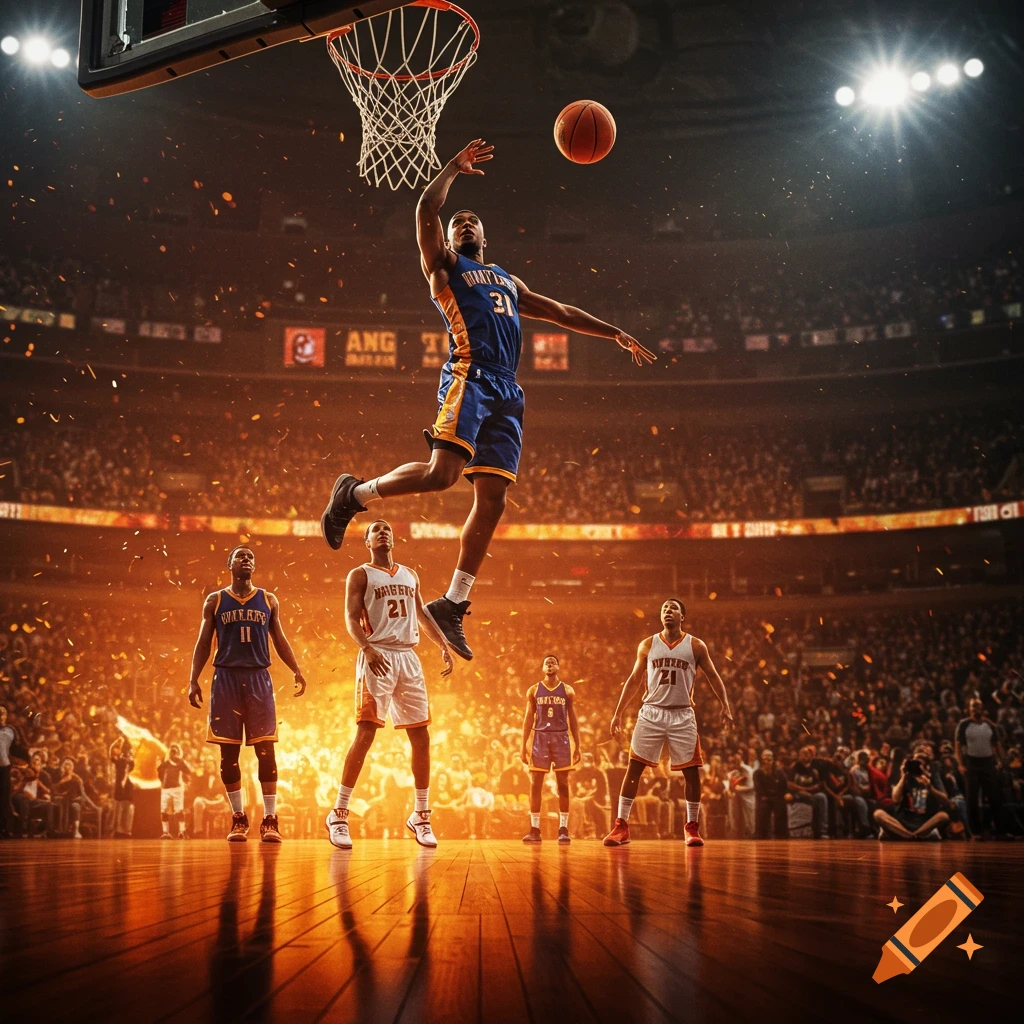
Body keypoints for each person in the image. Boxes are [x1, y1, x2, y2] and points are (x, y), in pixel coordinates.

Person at [320, 138, 656, 661]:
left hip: (508, 390)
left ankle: (453, 603)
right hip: (470, 374)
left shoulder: (507, 280)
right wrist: (453, 168)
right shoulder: (444, 265)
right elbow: (426, 207)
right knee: (442, 476)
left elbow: (560, 311)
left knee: (494, 498)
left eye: (472, 221)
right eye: (458, 222)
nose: (464, 225)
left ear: (485, 235)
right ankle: (355, 494)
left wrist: (613, 332)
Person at [326, 519, 454, 852]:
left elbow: (422, 614)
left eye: (387, 529)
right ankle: (339, 813)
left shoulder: (410, 574)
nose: (383, 532)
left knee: (421, 736)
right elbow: (350, 618)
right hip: (378, 653)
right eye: (376, 530)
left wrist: (442, 644)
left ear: (394, 540)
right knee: (366, 732)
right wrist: (367, 648)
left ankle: (421, 815)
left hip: (408, 657)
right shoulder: (360, 574)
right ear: (367, 541)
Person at [188, 545, 308, 843]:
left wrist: (296, 668)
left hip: (258, 678)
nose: (246, 559)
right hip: (225, 678)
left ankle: (270, 819)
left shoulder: (268, 599)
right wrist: (193, 679)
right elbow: (203, 643)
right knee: (228, 754)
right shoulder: (215, 600)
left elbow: (279, 638)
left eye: (250, 556)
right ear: (229, 564)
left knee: (266, 750)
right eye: (240, 556)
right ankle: (238, 818)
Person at [604, 598, 733, 847]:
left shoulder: (695, 645)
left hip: (682, 713)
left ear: (682, 616)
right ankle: (621, 826)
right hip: (651, 712)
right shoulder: (647, 644)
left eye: (673, 608)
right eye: (664, 608)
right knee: (634, 768)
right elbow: (633, 679)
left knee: (691, 771)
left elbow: (714, 676)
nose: (668, 611)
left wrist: (725, 705)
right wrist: (618, 712)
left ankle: (692, 827)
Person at [520, 654, 581, 844]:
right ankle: (534, 830)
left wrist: (578, 745)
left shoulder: (568, 690)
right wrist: (523, 745)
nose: (550, 665)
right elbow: (528, 719)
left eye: (553, 662)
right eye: (547, 663)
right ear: (542, 668)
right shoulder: (534, 690)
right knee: (535, 784)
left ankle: (563, 829)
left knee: (563, 784)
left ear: (558, 667)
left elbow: (573, 718)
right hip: (540, 738)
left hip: (561, 737)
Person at [955, 697, 1005, 838]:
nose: (976, 708)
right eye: (973, 706)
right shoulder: (963, 724)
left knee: (994, 796)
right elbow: (957, 746)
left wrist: (1002, 761)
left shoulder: (990, 725)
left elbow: (997, 745)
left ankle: (1000, 830)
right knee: (972, 797)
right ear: (969, 708)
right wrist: (960, 764)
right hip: (971, 762)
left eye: (978, 706)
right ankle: (976, 831)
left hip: (988, 762)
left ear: (982, 708)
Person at [873, 754, 952, 840]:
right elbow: (895, 799)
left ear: (927, 767)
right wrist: (903, 777)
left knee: (943, 816)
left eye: (920, 764)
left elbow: (946, 801)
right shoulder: (906, 778)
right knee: (878, 814)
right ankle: (911, 835)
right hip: (903, 821)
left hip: (924, 822)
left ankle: (910, 835)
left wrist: (930, 787)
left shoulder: (932, 779)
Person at [788, 745, 828, 839]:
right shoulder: (794, 767)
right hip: (797, 793)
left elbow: (818, 785)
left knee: (822, 797)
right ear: (799, 756)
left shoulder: (814, 770)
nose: (805, 755)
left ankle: (822, 831)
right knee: (800, 796)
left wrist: (810, 790)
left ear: (811, 756)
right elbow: (789, 784)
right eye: (803, 753)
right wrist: (803, 790)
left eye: (807, 754)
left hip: (811, 794)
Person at [157, 743, 192, 839]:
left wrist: (181, 761)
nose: (173, 752)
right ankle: (165, 832)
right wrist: (163, 783)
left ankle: (182, 831)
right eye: (172, 750)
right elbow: (159, 772)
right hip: (166, 790)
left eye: (175, 750)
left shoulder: (180, 762)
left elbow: (188, 771)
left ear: (178, 752)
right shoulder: (165, 763)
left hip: (177, 789)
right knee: (164, 810)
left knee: (179, 810)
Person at [753, 749, 790, 838]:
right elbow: (758, 789)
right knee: (763, 807)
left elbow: (784, 785)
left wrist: (786, 794)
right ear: (762, 759)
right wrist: (764, 797)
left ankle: (781, 835)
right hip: (764, 798)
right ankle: (761, 835)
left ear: (773, 758)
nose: (767, 759)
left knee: (781, 806)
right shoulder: (757, 773)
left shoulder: (779, 771)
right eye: (765, 756)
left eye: (769, 757)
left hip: (777, 797)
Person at [109, 736, 135, 838]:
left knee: (127, 808)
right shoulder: (120, 760)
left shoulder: (130, 761)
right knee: (119, 808)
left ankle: (126, 830)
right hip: (120, 787)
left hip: (128, 787)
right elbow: (111, 754)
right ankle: (119, 830)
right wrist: (116, 742)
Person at [727, 750, 755, 838]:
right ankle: (737, 834)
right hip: (737, 799)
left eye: (738, 759)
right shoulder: (733, 772)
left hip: (748, 798)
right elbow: (731, 786)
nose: (736, 762)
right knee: (735, 817)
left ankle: (752, 835)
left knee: (750, 819)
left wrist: (739, 788)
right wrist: (730, 790)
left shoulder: (747, 770)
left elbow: (752, 786)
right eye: (734, 760)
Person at [0, 705, 14, 838]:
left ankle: (4, 828)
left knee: (4, 798)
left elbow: (17, 748)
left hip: (4, 768)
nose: (0, 715)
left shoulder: (10, 730)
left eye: (3, 713)